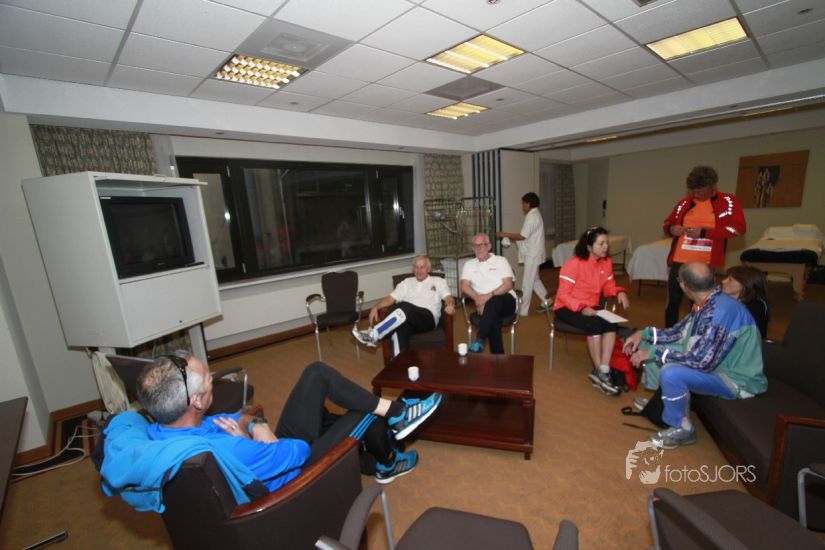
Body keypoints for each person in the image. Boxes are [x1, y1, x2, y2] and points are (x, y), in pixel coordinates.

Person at [101, 352, 443, 511]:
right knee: (364, 411)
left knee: (316, 373)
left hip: (268, 454)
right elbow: (298, 451)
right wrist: (255, 439)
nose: (214, 379)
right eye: (208, 379)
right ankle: (388, 454)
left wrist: (256, 424)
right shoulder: (232, 449)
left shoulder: (164, 432)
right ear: (197, 401)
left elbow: (236, 417)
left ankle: (390, 427)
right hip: (294, 474)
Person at [623, 262, 767, 449]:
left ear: (683, 285)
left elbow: (701, 362)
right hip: (716, 364)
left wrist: (654, 353)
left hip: (736, 380)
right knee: (649, 345)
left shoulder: (721, 312)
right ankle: (661, 402)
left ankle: (682, 428)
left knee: (671, 371)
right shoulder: (707, 301)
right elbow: (679, 332)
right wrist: (643, 334)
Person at [663, 166, 746, 327]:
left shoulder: (728, 201)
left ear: (713, 186)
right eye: (693, 190)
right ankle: (669, 331)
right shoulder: (685, 203)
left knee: (698, 301)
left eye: (700, 191)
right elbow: (667, 222)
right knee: (673, 299)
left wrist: (704, 233)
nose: (696, 194)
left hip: (705, 262)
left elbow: (738, 229)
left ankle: (693, 332)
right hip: (680, 260)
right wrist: (672, 229)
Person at [553, 226, 630, 396]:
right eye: (601, 244)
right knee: (595, 325)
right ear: (589, 247)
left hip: (591, 306)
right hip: (566, 307)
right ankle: (598, 370)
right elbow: (563, 295)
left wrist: (619, 291)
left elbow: (608, 286)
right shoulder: (573, 264)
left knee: (611, 324)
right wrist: (581, 307)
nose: (606, 247)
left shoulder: (606, 262)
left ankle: (603, 369)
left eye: (606, 243)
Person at [352, 256, 455, 356]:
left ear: (428, 269)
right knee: (399, 328)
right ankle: (400, 363)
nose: (419, 270)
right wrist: (376, 307)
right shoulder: (406, 282)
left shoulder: (438, 281)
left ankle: (374, 334)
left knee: (405, 306)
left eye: (422, 267)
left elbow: (448, 297)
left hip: (428, 318)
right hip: (406, 318)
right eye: (416, 267)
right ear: (413, 269)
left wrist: (450, 304)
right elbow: (390, 298)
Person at [460, 233, 518, 354]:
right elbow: (463, 285)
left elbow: (508, 284)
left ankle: (480, 339)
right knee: (493, 317)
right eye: (475, 246)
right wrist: (477, 298)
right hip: (485, 305)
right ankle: (498, 357)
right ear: (472, 248)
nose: (478, 248)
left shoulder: (501, 261)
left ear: (489, 246)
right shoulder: (469, 265)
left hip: (506, 300)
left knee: (493, 301)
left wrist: (486, 298)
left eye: (482, 245)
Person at [496, 192, 548, 316]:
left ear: (528, 204)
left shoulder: (532, 217)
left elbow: (522, 236)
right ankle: (548, 300)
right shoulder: (535, 214)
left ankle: (523, 311)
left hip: (533, 255)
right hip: (535, 252)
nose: (522, 206)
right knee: (534, 280)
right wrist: (510, 237)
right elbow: (526, 237)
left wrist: (505, 234)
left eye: (523, 203)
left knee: (527, 283)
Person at [722, 265, 769, 338]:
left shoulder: (756, 305)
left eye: (730, 279)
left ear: (745, 284)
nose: (723, 281)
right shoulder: (729, 300)